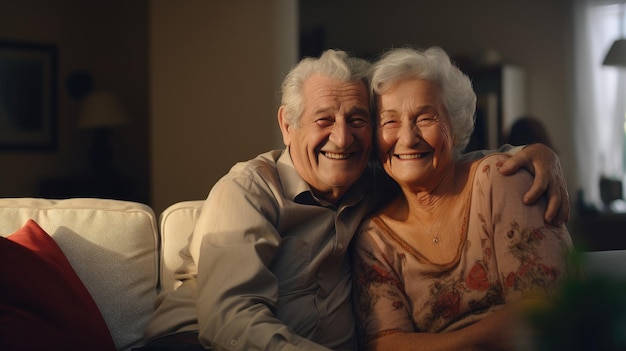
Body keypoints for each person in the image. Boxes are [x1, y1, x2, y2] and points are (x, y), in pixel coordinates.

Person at [141, 49, 569, 351]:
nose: (342, 138)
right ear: (287, 126)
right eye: (324, 120)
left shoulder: (370, 184)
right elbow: (229, 320)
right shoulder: (249, 191)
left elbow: (429, 160)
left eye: (358, 120)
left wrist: (530, 154)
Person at [351, 46, 576, 351]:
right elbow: (387, 344)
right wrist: (481, 336)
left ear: (455, 128)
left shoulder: (500, 181)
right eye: (389, 122)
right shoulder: (374, 240)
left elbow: (546, 316)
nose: (407, 137)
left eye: (425, 117)